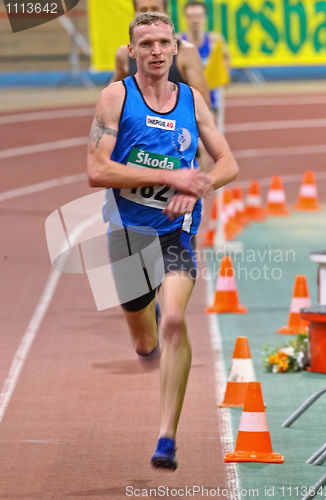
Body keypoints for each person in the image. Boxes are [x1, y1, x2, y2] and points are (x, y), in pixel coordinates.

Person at [87, 12, 238, 470]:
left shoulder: (192, 100)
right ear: (131, 51)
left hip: (177, 231)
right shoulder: (115, 98)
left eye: (163, 43)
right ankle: (146, 334)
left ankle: (166, 437)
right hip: (127, 231)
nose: (155, 51)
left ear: (176, 49)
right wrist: (169, 175)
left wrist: (200, 184)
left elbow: (228, 161)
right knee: (143, 337)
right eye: (145, 43)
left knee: (174, 319)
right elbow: (98, 171)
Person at [112, 0, 211, 107]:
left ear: (166, 13)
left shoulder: (186, 51)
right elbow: (113, 99)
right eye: (143, 10)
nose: (149, 15)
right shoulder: (123, 54)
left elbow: (203, 103)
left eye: (155, 9)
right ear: (134, 14)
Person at [182, 0, 231, 114]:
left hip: (211, 102)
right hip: (185, 102)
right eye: (191, 17)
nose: (195, 21)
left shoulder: (215, 42)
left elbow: (226, 57)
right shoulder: (179, 42)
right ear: (185, 19)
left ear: (205, 18)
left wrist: (225, 75)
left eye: (198, 16)